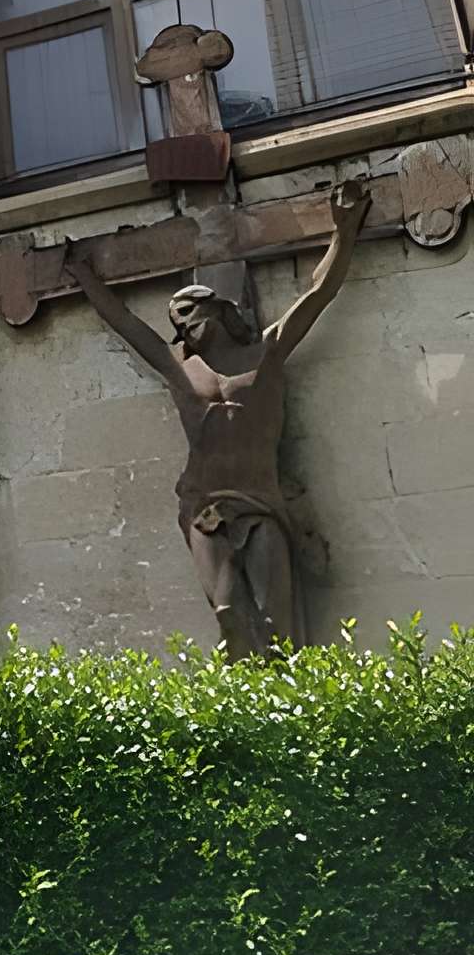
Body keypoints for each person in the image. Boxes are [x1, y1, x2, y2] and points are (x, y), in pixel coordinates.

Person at [63, 179, 370, 656]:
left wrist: (344, 231)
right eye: (176, 318)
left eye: (190, 309)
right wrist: (85, 277)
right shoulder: (178, 369)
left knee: (274, 622)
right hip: (204, 503)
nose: (182, 320)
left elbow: (317, 293)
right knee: (230, 616)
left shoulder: (266, 351)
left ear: (221, 310)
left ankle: (286, 713)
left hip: (261, 500)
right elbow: (125, 323)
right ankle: (238, 711)